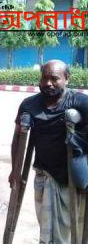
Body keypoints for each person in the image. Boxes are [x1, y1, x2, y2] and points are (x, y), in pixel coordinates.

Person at [10, 60, 88, 243]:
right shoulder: (29, 104)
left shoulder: (79, 101)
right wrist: (15, 171)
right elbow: (17, 138)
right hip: (44, 175)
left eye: (54, 78)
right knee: (47, 227)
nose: (48, 83)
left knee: (72, 229)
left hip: (71, 177)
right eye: (45, 78)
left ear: (66, 78)